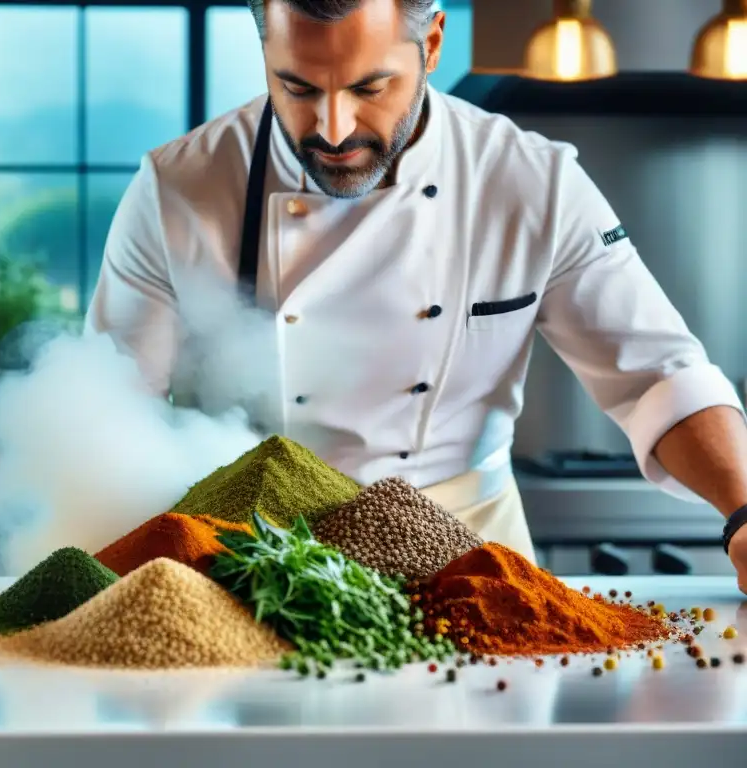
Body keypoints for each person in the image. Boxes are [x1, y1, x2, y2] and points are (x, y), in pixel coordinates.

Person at [85, 0, 747, 590]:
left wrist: (743, 512)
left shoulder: (532, 182)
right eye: (297, 87)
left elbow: (659, 375)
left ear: (431, 44)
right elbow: (109, 415)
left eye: (371, 86)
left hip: (474, 576)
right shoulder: (178, 187)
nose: (335, 128)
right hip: (254, 577)